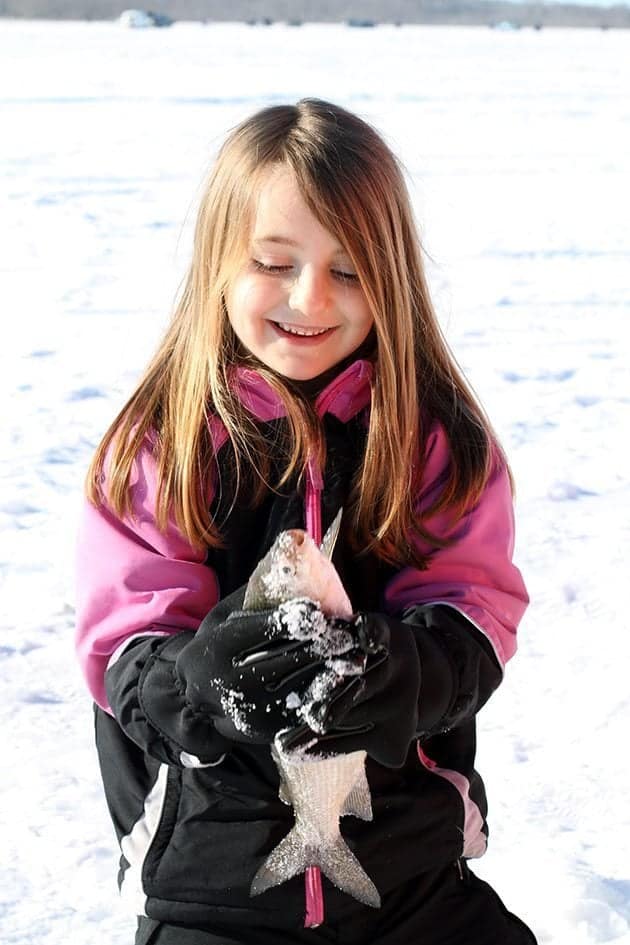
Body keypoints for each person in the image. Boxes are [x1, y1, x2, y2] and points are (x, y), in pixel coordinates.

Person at [75, 98, 537, 945]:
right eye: (272, 261)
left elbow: (476, 616)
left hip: (409, 873)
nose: (310, 296)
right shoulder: (162, 447)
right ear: (218, 261)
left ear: (392, 277)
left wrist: (401, 672)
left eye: (350, 270)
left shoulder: (435, 440)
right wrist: (195, 680)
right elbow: (122, 646)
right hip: (215, 880)